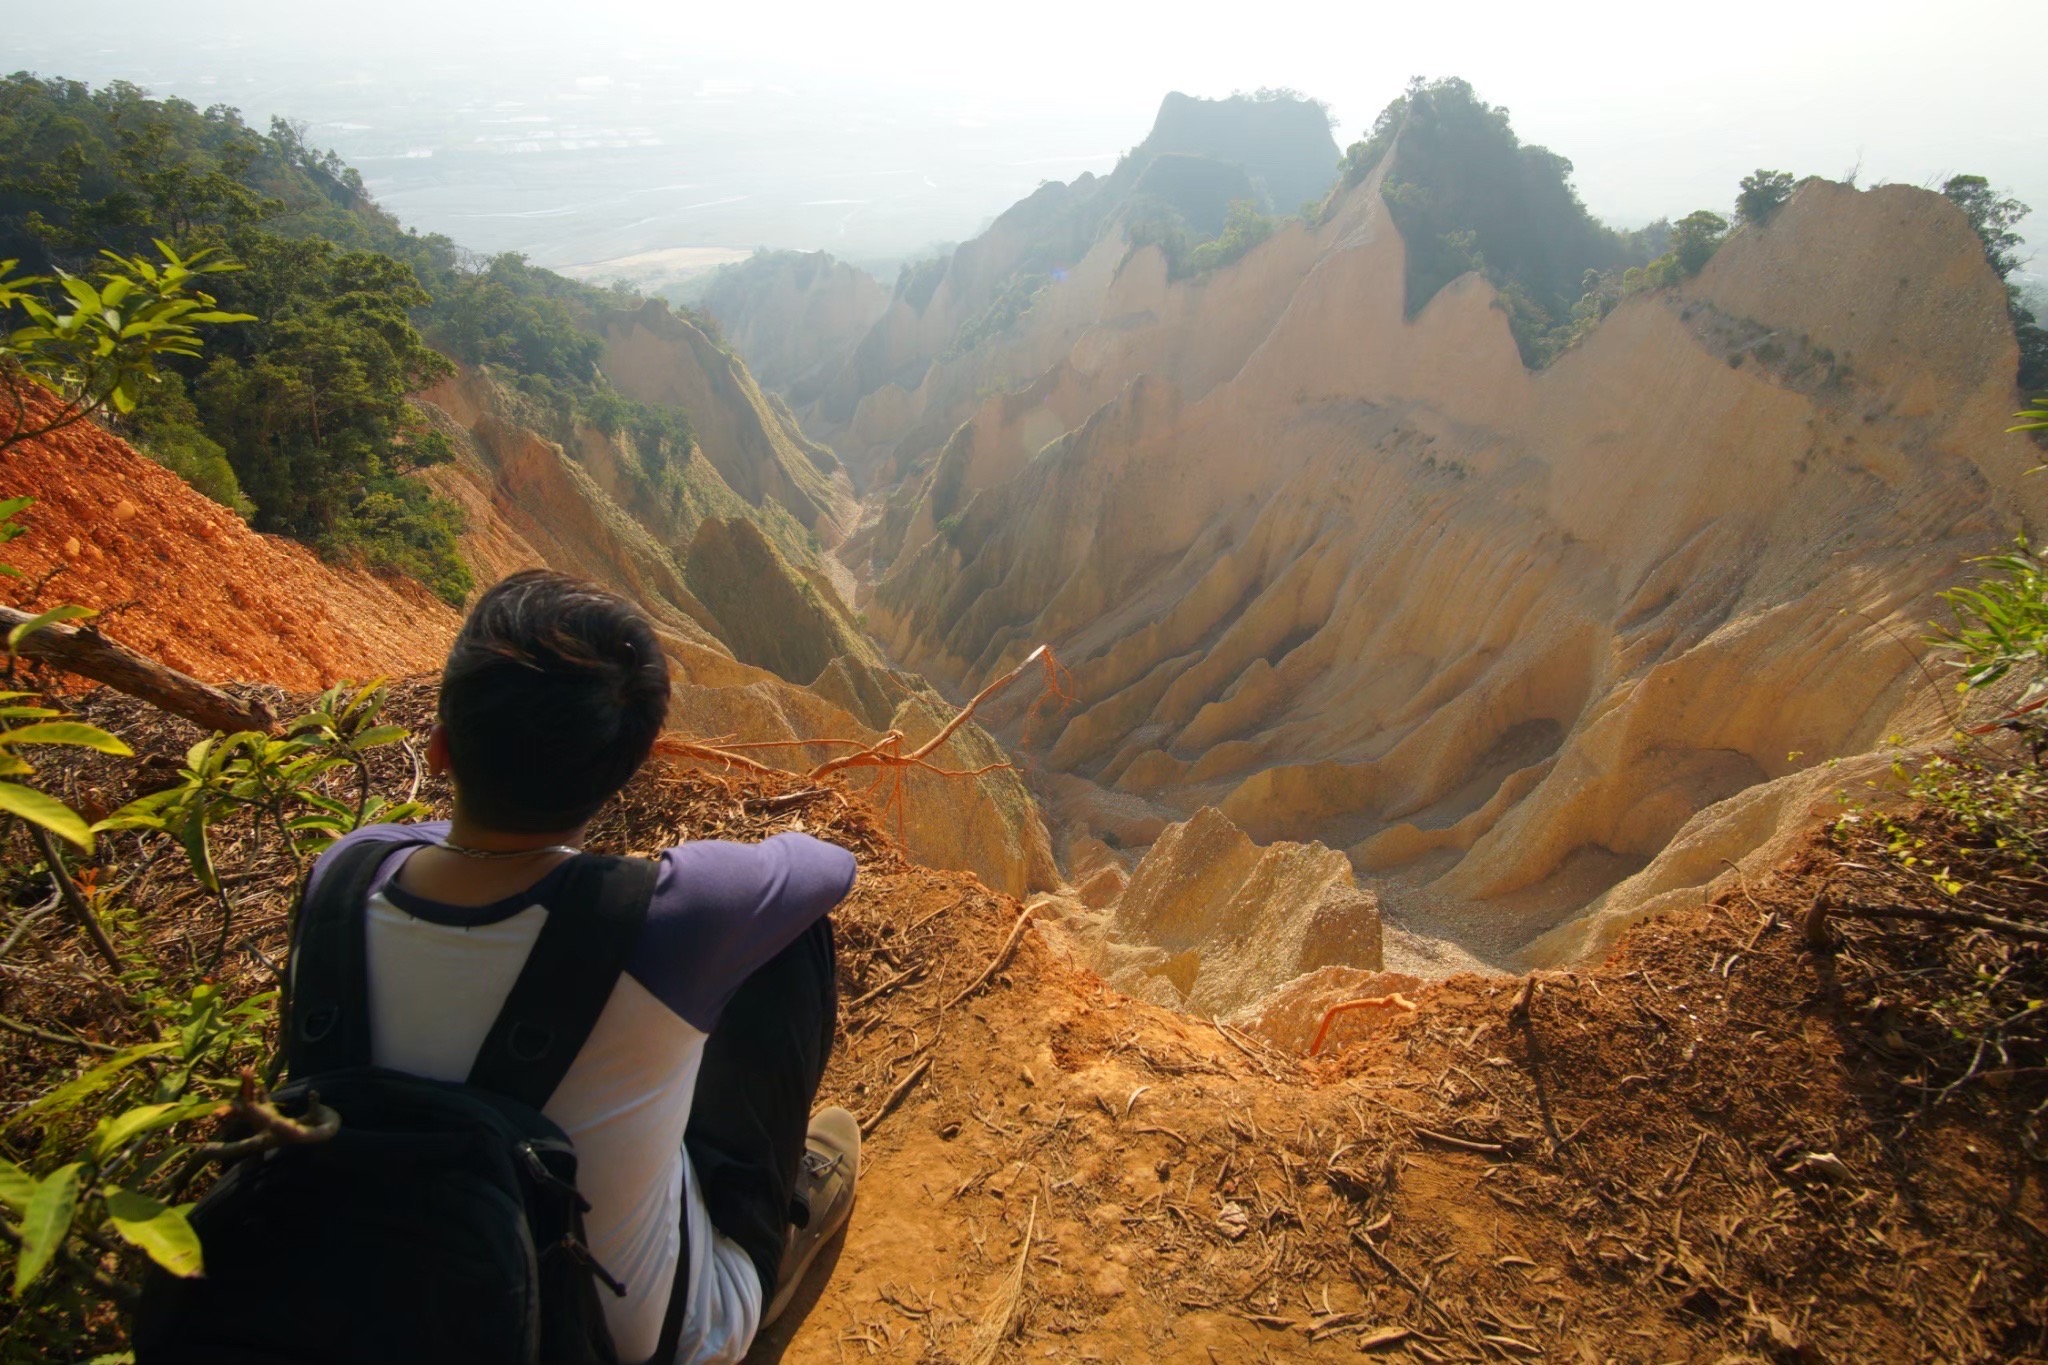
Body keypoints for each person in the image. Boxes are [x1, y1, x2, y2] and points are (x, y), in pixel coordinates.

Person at [308, 569, 857, 1363]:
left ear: (438, 745)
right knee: (789, 942)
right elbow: (826, 868)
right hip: (610, 1341)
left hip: (376, 1306)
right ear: (623, 776)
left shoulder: (342, 876)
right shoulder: (667, 920)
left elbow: (422, 843)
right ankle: (762, 1245)